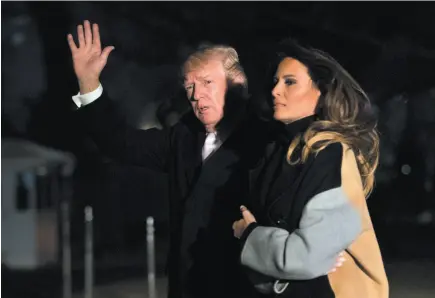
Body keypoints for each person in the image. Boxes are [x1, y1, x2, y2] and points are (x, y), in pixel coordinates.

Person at [67, 21, 344, 298]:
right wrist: (88, 82)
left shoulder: (271, 140)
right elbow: (119, 143)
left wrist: (324, 246)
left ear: (237, 83)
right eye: (189, 88)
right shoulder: (181, 138)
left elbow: (307, 203)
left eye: (207, 83)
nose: (197, 96)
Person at [232, 39, 389, 298]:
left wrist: (249, 235)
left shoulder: (330, 152)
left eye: (289, 82)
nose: (275, 91)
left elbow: (306, 257)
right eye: (275, 81)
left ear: (321, 92)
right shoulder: (278, 151)